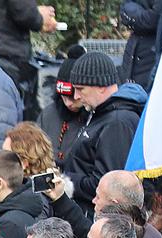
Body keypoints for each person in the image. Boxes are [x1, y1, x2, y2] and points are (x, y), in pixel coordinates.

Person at [63, 52, 149, 209]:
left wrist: (65, 181)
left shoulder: (117, 122)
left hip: (99, 218)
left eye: (80, 89)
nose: (76, 96)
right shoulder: (103, 113)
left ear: (101, 86)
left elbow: (107, 188)